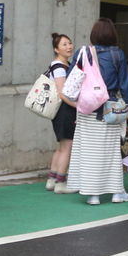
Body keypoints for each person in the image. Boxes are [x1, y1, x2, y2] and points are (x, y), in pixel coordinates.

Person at [66, 18, 128, 205]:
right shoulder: (117, 54)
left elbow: (72, 78)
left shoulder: (82, 52)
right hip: (109, 109)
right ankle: (116, 192)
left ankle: (93, 195)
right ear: (113, 34)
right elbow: (125, 85)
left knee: (89, 152)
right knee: (111, 152)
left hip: (86, 109)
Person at [45, 32, 77, 193]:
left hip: (60, 111)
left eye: (69, 43)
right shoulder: (59, 67)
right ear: (56, 49)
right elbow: (62, 93)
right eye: (64, 44)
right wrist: (79, 106)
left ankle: (52, 179)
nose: (69, 46)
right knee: (67, 147)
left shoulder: (62, 65)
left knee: (62, 146)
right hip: (64, 111)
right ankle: (61, 183)